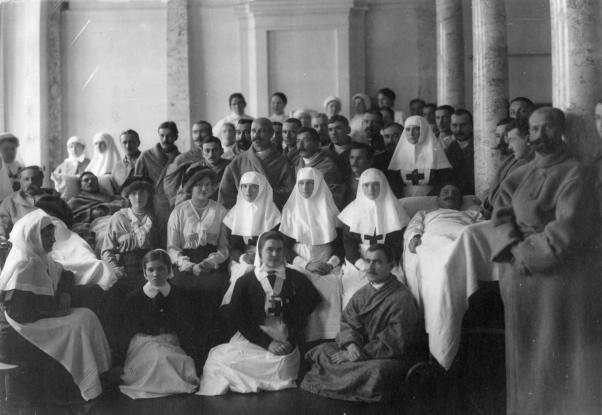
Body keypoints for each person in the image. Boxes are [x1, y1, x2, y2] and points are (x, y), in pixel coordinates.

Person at [489, 107, 602, 415]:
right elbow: (499, 215)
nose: (540, 135)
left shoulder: (576, 172)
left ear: (561, 130)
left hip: (555, 280)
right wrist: (512, 248)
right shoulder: (519, 174)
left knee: (554, 355)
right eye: (534, 129)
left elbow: (569, 226)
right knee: (524, 356)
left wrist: (525, 254)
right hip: (519, 277)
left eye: (548, 127)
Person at [0, 210, 111, 404]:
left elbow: (66, 274)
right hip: (17, 332)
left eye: (52, 235)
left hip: (33, 321)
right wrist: (55, 313)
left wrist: (66, 294)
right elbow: (18, 312)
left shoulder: (42, 258)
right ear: (32, 237)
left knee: (87, 316)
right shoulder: (22, 266)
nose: (53, 240)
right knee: (76, 327)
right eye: (47, 236)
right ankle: (83, 387)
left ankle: (101, 373)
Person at [198, 231, 321, 396]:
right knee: (222, 361)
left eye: (279, 250)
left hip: (283, 340)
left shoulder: (296, 278)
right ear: (260, 252)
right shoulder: (245, 281)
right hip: (254, 338)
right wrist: (267, 343)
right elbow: (238, 318)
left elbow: (307, 307)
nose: (275, 254)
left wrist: (290, 338)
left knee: (283, 368)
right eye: (270, 249)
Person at [301, 244, 424, 402]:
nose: (370, 267)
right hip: (356, 351)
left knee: (377, 371)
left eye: (377, 262)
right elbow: (347, 323)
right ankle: (349, 380)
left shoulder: (402, 297)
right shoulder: (362, 293)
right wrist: (351, 346)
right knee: (322, 350)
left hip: (384, 357)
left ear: (391, 265)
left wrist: (357, 354)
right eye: (368, 261)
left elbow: (394, 341)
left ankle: (337, 378)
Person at [117, 249, 200, 399]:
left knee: (175, 361)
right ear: (145, 272)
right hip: (144, 342)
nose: (155, 274)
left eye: (161, 269)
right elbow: (126, 330)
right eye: (151, 270)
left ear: (169, 270)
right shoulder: (134, 298)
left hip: (171, 341)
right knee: (159, 358)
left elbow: (187, 327)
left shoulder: (180, 294)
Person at [168, 167, 229, 355]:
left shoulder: (220, 210)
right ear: (190, 187)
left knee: (215, 287)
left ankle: (211, 347)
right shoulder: (179, 211)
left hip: (212, 262)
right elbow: (172, 247)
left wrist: (210, 262)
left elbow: (224, 248)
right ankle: (188, 347)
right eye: (199, 185)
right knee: (180, 288)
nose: (204, 189)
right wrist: (187, 264)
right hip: (185, 262)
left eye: (207, 185)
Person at [280, 167, 343, 342]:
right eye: (301, 183)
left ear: (319, 185)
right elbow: (285, 247)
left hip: (327, 262)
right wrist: (306, 264)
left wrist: (330, 264)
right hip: (299, 263)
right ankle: (306, 338)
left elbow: (340, 246)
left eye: (310, 183)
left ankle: (330, 337)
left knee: (334, 287)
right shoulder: (290, 210)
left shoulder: (330, 209)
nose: (305, 187)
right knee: (301, 288)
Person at [338, 168, 409, 306]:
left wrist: (383, 264)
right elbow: (348, 244)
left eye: (376, 184)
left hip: (387, 263)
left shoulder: (395, 210)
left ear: (383, 185)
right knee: (353, 294)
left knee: (394, 296)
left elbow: (396, 245)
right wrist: (362, 264)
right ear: (361, 187)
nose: (371, 189)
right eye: (366, 185)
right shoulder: (351, 211)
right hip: (358, 263)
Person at [221, 171, 281, 306]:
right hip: (244, 258)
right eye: (244, 186)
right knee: (246, 269)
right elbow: (234, 247)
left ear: (262, 188)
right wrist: (243, 257)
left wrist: (261, 258)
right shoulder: (236, 212)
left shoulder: (273, 213)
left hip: (270, 258)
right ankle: (232, 308)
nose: (248, 190)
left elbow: (277, 244)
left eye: (254, 186)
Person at [218, 118, 294, 209]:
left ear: (271, 133)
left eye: (262, 131)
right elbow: (226, 197)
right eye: (253, 131)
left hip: (273, 213)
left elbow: (289, 193)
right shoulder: (237, 162)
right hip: (244, 214)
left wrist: (265, 193)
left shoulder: (283, 162)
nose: (256, 135)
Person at [102, 176, 159, 294]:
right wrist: (115, 269)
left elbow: (162, 247)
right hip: (127, 269)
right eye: (133, 193)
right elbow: (107, 251)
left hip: (153, 267)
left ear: (148, 194)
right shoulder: (118, 218)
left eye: (142, 193)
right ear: (128, 196)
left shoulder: (156, 218)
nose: (138, 197)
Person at [388, 115, 454, 197]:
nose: (411, 133)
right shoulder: (399, 155)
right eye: (408, 129)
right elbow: (394, 184)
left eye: (416, 129)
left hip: (431, 199)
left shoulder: (436, 153)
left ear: (424, 130)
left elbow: (445, 182)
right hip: (405, 200)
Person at [481, 118, 534, 219]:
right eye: (498, 136)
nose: (509, 146)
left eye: (512, 140)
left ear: (527, 139)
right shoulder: (512, 160)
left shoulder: (532, 166)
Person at [134, 121, 180, 236]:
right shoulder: (146, 156)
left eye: (169, 136)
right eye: (162, 135)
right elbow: (137, 183)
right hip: (150, 201)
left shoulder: (180, 159)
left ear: (175, 137)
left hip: (173, 202)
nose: (165, 139)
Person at [295, 127, 346, 209]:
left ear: (317, 144)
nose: (300, 145)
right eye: (298, 141)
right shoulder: (297, 163)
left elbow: (335, 197)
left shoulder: (328, 167)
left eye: (306, 141)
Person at [445, 109, 475, 195]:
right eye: (455, 125)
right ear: (450, 126)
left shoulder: (481, 147)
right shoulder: (447, 150)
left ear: (471, 125)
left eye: (463, 125)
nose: (458, 129)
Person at [51, 135, 90, 200]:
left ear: (83, 148)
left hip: (85, 196)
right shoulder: (64, 164)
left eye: (77, 146)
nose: (74, 149)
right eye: (71, 147)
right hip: (67, 197)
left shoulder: (89, 163)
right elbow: (56, 180)